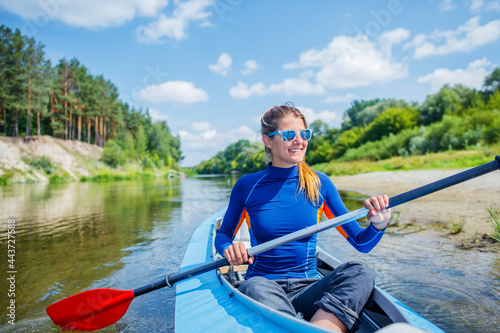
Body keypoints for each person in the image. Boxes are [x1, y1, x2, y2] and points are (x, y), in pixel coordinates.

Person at [214, 103, 391, 332]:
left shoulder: (320, 184)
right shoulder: (247, 186)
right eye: (289, 134)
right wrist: (229, 248)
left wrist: (378, 224)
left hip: (310, 290)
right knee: (254, 285)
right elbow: (223, 235)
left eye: (304, 133)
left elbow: (361, 242)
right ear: (268, 141)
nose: (299, 140)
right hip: (264, 286)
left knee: (360, 271)